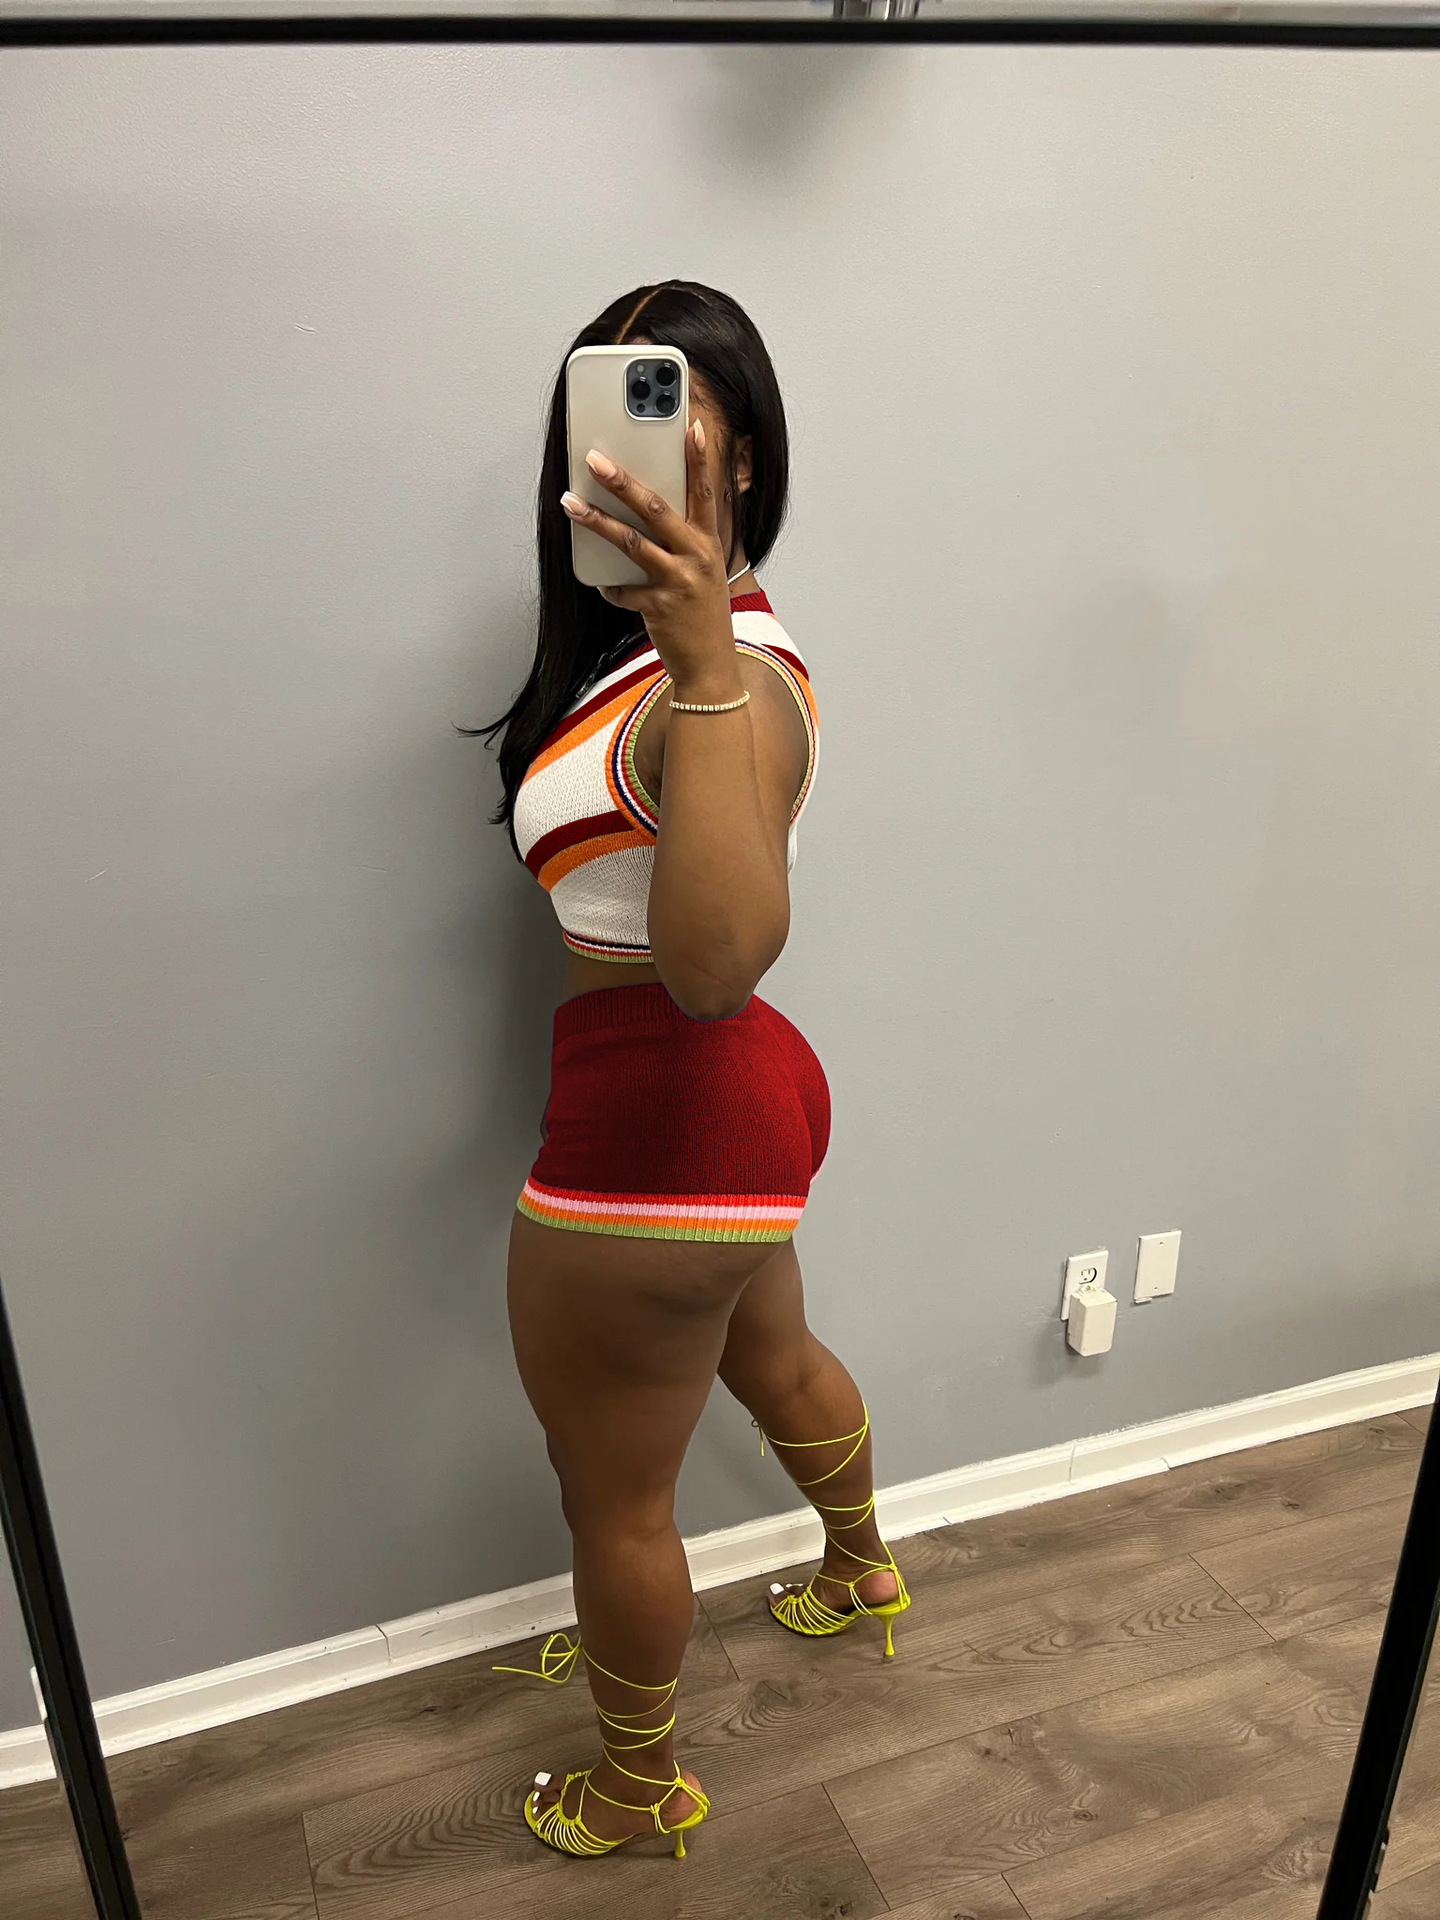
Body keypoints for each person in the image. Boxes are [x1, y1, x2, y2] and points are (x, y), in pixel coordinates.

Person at [473, 280, 911, 1863]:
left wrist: (704, 660)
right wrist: (688, 646)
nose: (635, 468)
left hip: (654, 1133)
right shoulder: (657, 659)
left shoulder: (729, 677)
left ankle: (638, 1784)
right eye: (609, 434)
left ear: (744, 461)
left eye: (681, 432)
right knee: (775, 1361)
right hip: (737, 1121)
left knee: (614, 1498)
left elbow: (716, 967)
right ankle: (862, 1567)